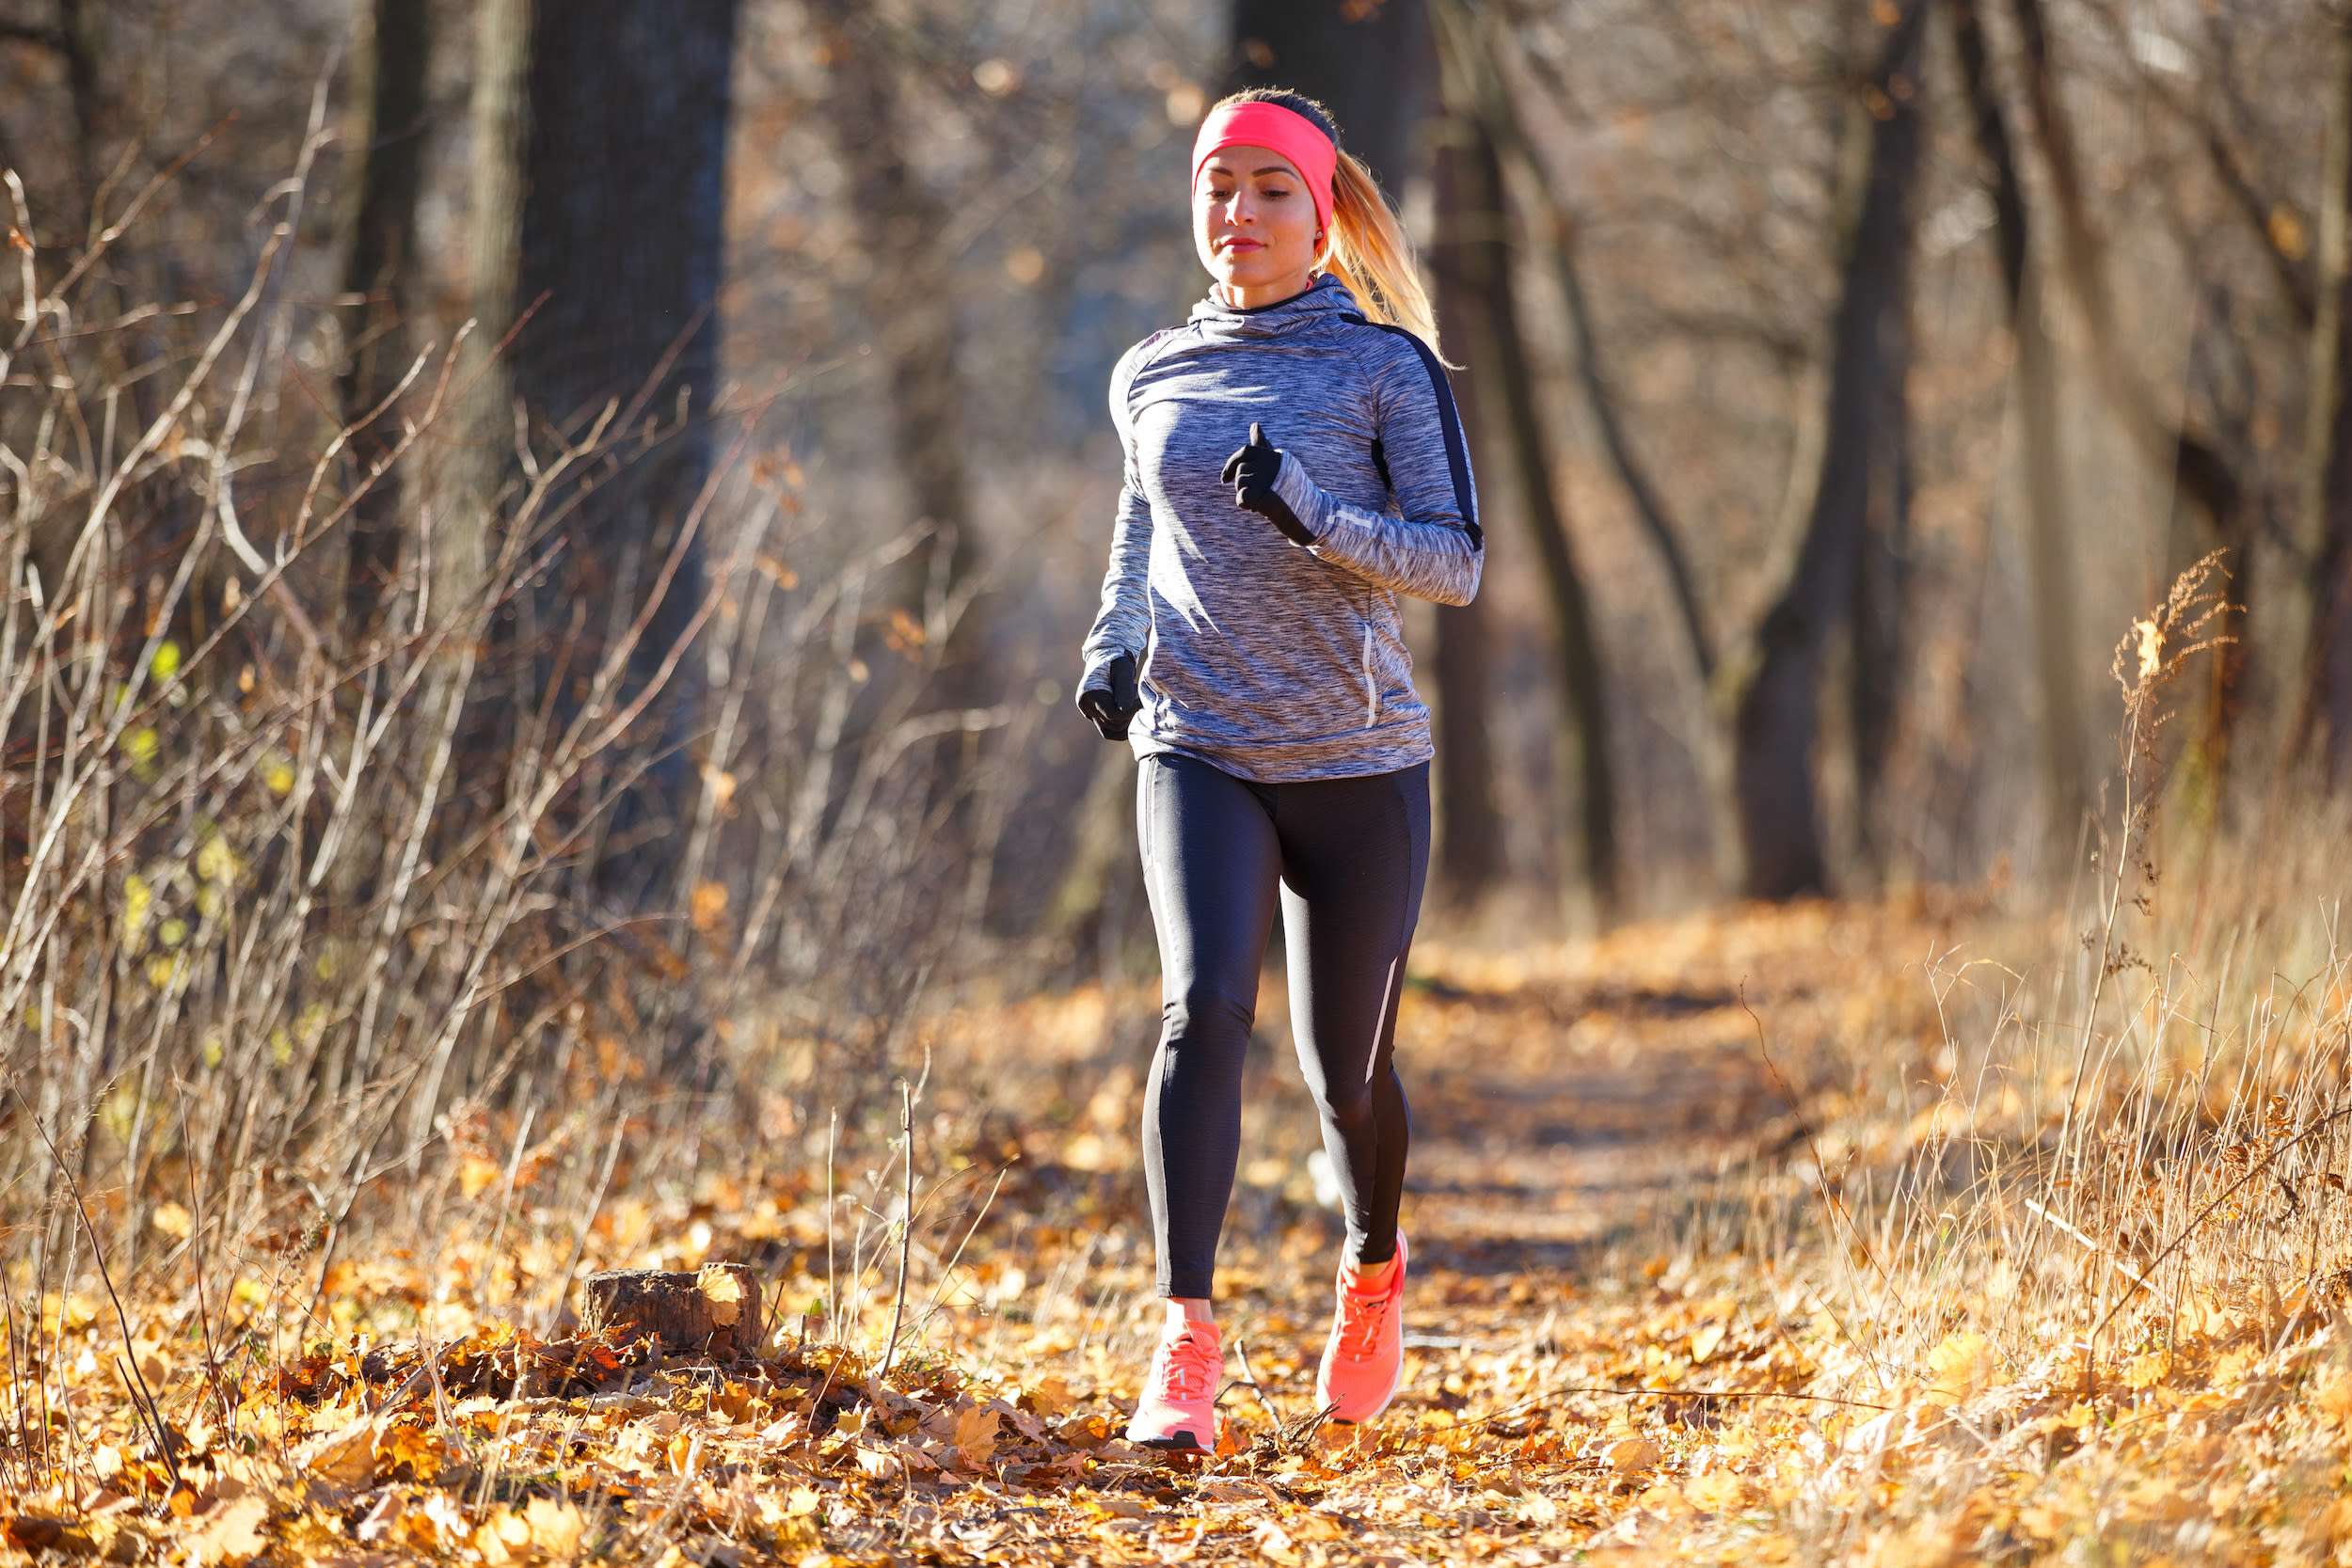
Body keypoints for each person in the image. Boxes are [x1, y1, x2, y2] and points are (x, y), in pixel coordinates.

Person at [1074, 87, 1482, 1452]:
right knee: (1201, 1010)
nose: (1237, 214)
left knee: (1345, 1079)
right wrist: (1113, 643)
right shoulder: (1150, 372)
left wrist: (1314, 518)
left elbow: (1455, 562)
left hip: (1359, 764)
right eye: (1218, 186)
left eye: (1269, 190)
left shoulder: (1384, 369)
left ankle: (1373, 1273)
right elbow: (1142, 537)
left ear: (1323, 216)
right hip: (1199, 744)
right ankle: (1184, 1347)